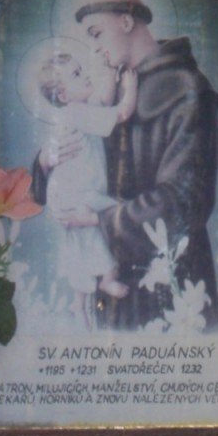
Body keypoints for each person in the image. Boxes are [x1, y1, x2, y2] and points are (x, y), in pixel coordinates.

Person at [37, 0, 218, 330]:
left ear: (125, 22)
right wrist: (47, 162)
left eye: (97, 33)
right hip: (115, 286)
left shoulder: (187, 91)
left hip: (172, 283)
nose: (93, 46)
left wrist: (98, 219)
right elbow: (85, 143)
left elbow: (185, 201)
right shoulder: (117, 85)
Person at [34, 46, 136, 327]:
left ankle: (78, 303)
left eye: (82, 69)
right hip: (76, 193)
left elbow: (103, 103)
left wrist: (112, 75)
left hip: (68, 192)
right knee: (113, 216)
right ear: (64, 95)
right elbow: (122, 113)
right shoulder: (76, 113)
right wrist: (130, 86)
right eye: (77, 75)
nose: (85, 75)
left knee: (81, 244)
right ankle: (107, 278)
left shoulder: (80, 111)